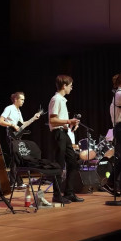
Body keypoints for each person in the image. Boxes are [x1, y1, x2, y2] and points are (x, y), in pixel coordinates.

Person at [48, 75, 84, 203]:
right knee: (59, 165)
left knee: (73, 163)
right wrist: (69, 120)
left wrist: (70, 124)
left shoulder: (62, 100)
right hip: (58, 135)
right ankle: (57, 195)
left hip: (64, 133)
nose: (72, 88)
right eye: (70, 85)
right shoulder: (56, 99)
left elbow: (59, 120)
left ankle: (69, 192)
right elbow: (52, 120)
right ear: (64, 86)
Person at [0, 92, 40, 189]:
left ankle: (17, 182)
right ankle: (13, 182)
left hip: (17, 136)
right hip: (10, 135)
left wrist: (33, 118)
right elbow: (0, 121)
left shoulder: (18, 111)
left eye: (23, 99)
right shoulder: (9, 108)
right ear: (16, 99)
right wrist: (12, 125)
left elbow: (23, 124)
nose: (23, 101)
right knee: (15, 158)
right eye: (21, 99)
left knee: (17, 158)